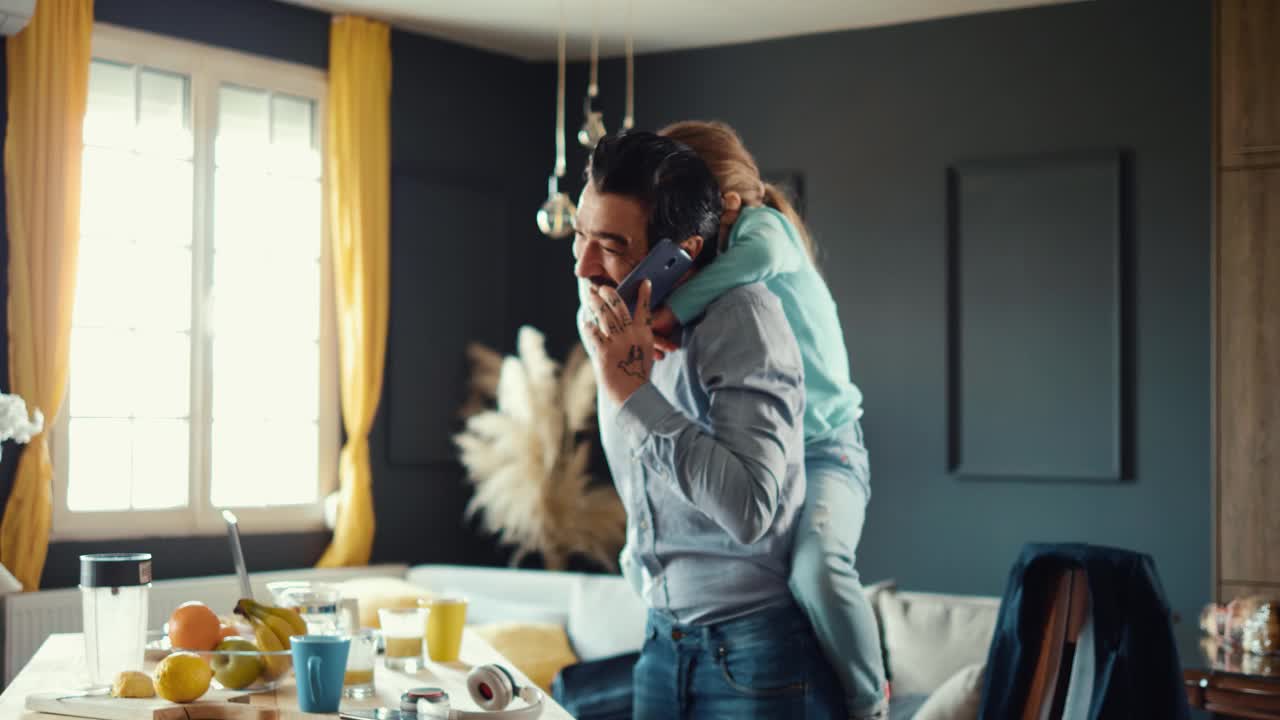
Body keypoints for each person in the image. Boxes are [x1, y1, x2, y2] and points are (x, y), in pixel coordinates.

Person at [574, 130, 846, 719]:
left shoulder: (743, 317)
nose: (583, 265)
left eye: (611, 245)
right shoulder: (604, 314)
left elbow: (750, 511)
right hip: (659, 641)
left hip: (756, 659)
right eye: (579, 235)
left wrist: (633, 393)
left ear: (680, 252)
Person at [652, 120, 888, 720]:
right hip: (775, 458)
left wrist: (670, 314)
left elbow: (754, 261)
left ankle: (870, 701)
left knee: (819, 570)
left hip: (827, 449)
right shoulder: (710, 259)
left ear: (725, 201)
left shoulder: (765, 229)